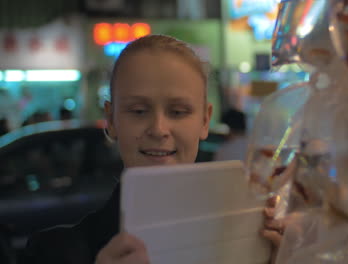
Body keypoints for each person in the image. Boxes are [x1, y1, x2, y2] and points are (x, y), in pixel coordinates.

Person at [20, 35, 284, 264]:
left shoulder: (247, 238)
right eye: (138, 111)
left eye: (178, 112)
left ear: (205, 120)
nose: (158, 129)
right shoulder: (53, 253)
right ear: (111, 120)